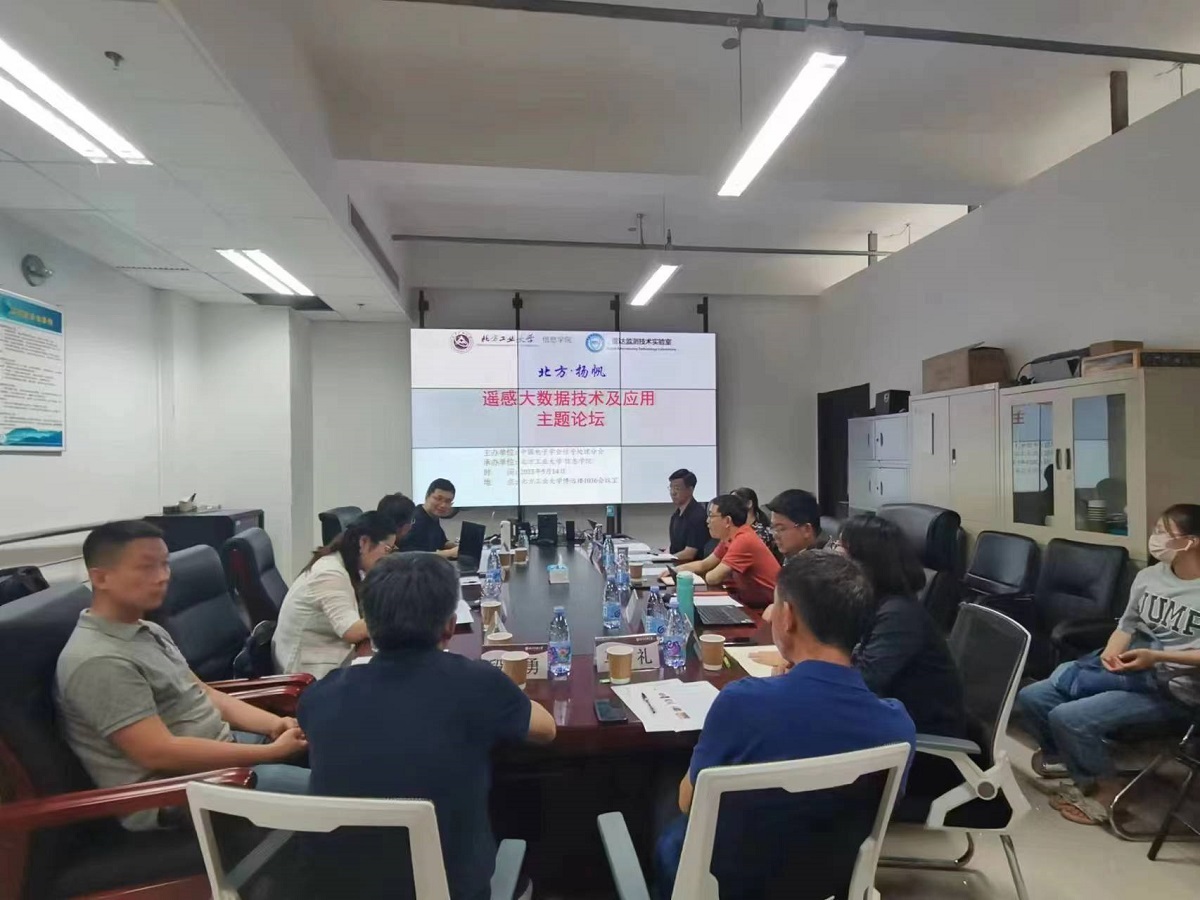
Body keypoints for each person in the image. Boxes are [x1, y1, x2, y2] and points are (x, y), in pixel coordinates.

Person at [298, 552, 557, 899]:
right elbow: (546, 729)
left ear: (369, 625)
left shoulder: (322, 694)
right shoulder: (477, 683)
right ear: (449, 626)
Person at [655, 553, 916, 898]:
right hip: (827, 883)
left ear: (788, 617)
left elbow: (689, 802)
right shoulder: (897, 726)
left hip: (726, 883)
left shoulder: (741, 703)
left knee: (662, 799)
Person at [55, 521, 309, 831]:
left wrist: (275, 724)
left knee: (336, 749)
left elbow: (205, 693)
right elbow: (159, 753)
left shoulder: (147, 629)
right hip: (181, 795)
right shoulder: (98, 661)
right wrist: (269, 754)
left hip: (224, 758)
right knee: (341, 794)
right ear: (101, 578)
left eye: (165, 564)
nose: (163, 576)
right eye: (147, 567)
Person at [1016, 504, 1200, 826]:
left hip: (1175, 690)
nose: (1155, 538)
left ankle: (1107, 796)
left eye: (1164, 532)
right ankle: (1078, 768)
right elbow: (1126, 627)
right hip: (1137, 671)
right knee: (1034, 697)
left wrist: (1158, 657)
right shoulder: (1149, 577)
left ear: (1191, 541)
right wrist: (1112, 655)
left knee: (1068, 717)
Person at [838, 515, 968, 739]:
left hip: (920, 733)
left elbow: (864, 681)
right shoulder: (875, 602)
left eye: (841, 549)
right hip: (887, 713)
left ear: (864, 561)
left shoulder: (898, 614)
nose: (835, 556)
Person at [273, 511, 397, 678]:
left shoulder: (346, 565)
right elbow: (351, 630)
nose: (388, 557)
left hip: (327, 655)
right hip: (305, 673)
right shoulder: (330, 572)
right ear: (364, 542)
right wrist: (399, 616)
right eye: (387, 549)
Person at [676, 494, 781, 608]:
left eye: (711, 516)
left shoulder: (744, 540)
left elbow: (713, 578)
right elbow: (704, 564)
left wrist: (688, 577)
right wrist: (674, 571)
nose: (707, 521)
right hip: (750, 601)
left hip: (770, 607)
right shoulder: (728, 538)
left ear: (727, 521)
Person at [399, 478, 459, 557]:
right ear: (427, 496)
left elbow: (442, 542)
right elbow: (411, 555)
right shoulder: (416, 520)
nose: (443, 505)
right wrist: (449, 553)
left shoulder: (433, 517)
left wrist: (459, 547)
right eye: (438, 499)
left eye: (448, 501)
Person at [765, 489, 823, 560]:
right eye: (773, 528)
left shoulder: (825, 563)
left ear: (806, 530)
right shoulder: (781, 556)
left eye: (781, 529)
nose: (775, 535)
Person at [668, 468, 708, 562]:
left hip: (691, 567)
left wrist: (666, 559)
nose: (673, 492)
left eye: (677, 488)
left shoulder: (697, 516)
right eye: (671, 488)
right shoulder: (676, 515)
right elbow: (674, 547)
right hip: (677, 564)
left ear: (690, 490)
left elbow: (689, 553)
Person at [731, 486, 780, 561]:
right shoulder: (734, 529)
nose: (730, 508)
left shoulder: (761, 533)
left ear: (749, 504)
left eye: (735, 503)